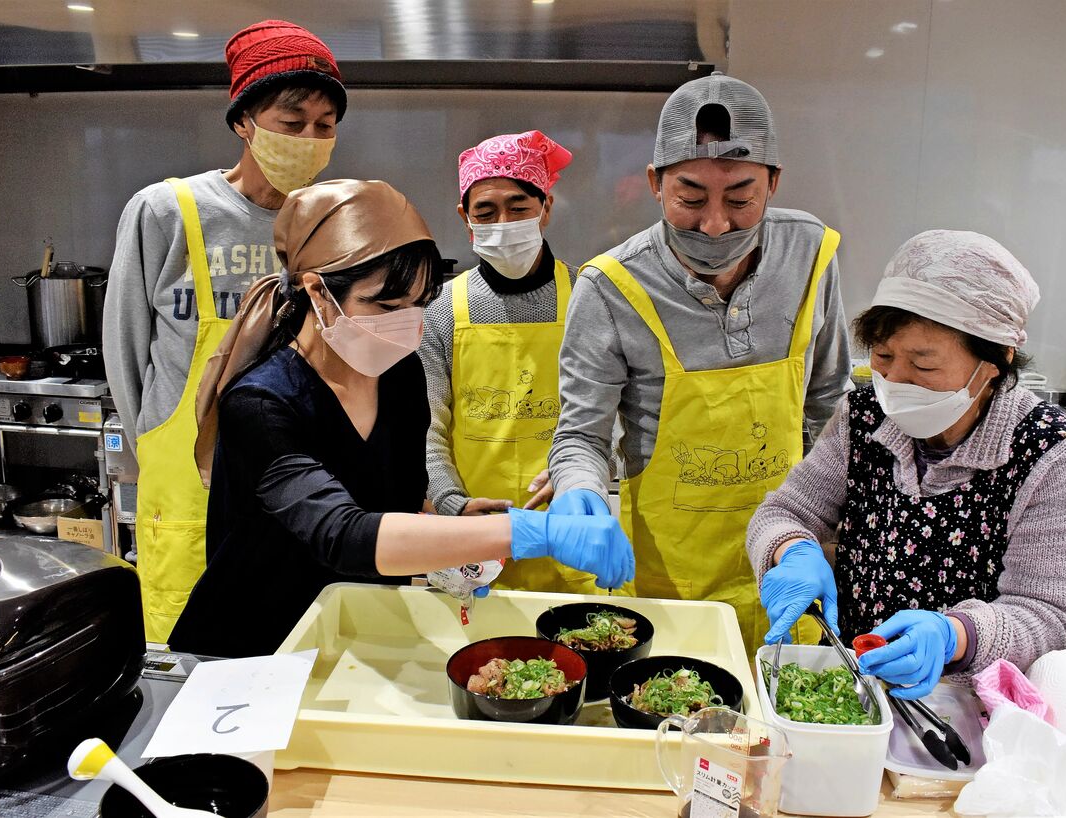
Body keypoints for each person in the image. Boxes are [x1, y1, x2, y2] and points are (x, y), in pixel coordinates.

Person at [166, 180, 634, 658]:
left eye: (418, 303)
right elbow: (342, 532)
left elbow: (396, 498)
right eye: (386, 306)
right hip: (253, 644)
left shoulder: (399, 374)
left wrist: (452, 526)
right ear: (319, 293)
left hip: (357, 627)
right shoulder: (262, 404)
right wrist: (536, 533)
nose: (408, 323)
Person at [547, 72, 852, 650]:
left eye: (741, 199)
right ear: (655, 184)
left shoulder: (812, 255)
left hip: (786, 567)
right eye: (690, 199)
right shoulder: (611, 286)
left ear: (774, 183)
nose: (715, 223)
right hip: (671, 582)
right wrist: (578, 491)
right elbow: (580, 437)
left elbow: (830, 405)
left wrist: (830, 529)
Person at [749, 230, 1066, 699]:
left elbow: (1046, 614)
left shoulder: (1052, 456)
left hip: (980, 710)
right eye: (883, 356)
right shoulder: (864, 417)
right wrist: (790, 550)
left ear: (996, 360)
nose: (894, 380)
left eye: (924, 365)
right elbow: (785, 512)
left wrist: (954, 634)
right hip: (858, 685)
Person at [103, 20, 347, 642]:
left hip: (293, 472)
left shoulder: (327, 219)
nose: (311, 139)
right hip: (185, 477)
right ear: (244, 121)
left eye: (325, 125)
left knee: (285, 649)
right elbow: (125, 348)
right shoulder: (168, 210)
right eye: (292, 124)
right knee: (186, 654)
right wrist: (156, 446)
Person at [419, 131, 600, 594]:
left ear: (546, 207)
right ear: (465, 218)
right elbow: (427, 426)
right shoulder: (442, 307)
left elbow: (615, 417)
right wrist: (453, 504)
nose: (503, 221)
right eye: (486, 211)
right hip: (472, 539)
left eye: (518, 208)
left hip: (568, 532)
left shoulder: (589, 296)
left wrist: (582, 479)